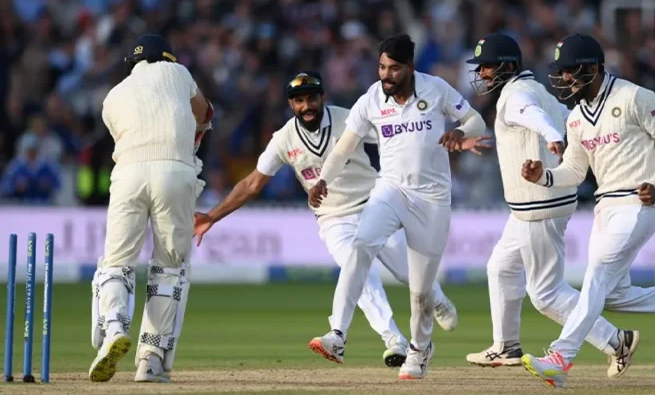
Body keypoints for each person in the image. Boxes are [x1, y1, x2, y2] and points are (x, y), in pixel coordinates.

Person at [192, 71, 459, 368]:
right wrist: (212, 217)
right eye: (299, 101)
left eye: (311, 99)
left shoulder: (348, 118)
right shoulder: (283, 139)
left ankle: (437, 298)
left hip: (375, 204)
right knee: (357, 270)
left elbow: (395, 134)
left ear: (323, 98)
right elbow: (253, 184)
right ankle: (393, 339)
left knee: (407, 274)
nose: (306, 106)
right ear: (291, 105)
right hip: (333, 219)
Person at [307, 34, 490, 379]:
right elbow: (344, 148)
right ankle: (337, 335)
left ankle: (420, 351)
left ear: (410, 68)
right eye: (381, 67)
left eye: (393, 69)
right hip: (390, 189)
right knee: (360, 246)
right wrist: (322, 180)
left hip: (433, 199)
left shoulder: (435, 88)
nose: (385, 75)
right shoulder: (371, 100)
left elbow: (476, 121)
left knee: (420, 292)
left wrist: (460, 132)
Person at [520, 33, 655, 388]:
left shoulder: (634, 96)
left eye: (570, 70)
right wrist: (545, 176)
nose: (565, 78)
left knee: (597, 274)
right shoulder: (576, 119)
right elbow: (573, 171)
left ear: (592, 68)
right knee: (611, 294)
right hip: (606, 207)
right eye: (562, 71)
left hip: (640, 200)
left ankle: (560, 357)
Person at [458, 33, 637, 379]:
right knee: (501, 267)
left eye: (487, 66)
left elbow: (533, 115)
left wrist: (552, 136)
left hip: (538, 205)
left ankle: (617, 340)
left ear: (508, 67)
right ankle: (506, 346)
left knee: (546, 293)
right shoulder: (537, 88)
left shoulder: (517, 96)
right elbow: (567, 115)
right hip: (533, 206)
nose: (481, 73)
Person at [89, 34, 214, 383]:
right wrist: (195, 135)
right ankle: (151, 359)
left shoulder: (112, 96)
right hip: (175, 171)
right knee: (169, 268)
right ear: (168, 59)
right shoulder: (179, 73)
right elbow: (205, 111)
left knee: (116, 263)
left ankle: (114, 327)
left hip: (127, 173)